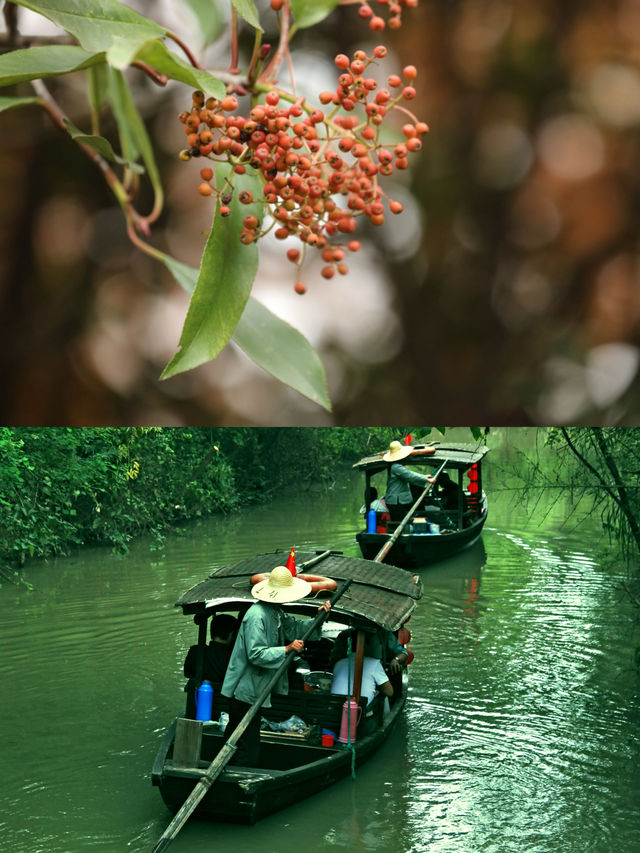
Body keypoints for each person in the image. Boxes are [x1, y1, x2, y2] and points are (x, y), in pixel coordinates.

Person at [221, 565, 331, 766]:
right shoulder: (257, 616)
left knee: (237, 736)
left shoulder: (275, 612)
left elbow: (295, 628)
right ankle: (241, 776)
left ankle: (230, 767)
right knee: (247, 742)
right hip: (244, 690)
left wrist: (318, 619)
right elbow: (256, 654)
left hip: (256, 688)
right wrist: (287, 649)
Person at [183, 613, 238, 718]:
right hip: (228, 713)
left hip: (199, 710)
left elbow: (188, 673)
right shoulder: (236, 656)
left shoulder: (196, 651)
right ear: (232, 634)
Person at [330, 631, 393, 708]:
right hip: (359, 713)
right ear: (364, 645)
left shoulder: (338, 664)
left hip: (335, 709)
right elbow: (389, 692)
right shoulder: (374, 663)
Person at [383, 440, 437, 522]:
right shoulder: (396, 467)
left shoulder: (395, 466)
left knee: (401, 520)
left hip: (396, 501)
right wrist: (427, 480)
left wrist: (424, 476)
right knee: (399, 522)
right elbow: (409, 475)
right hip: (395, 502)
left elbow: (408, 475)